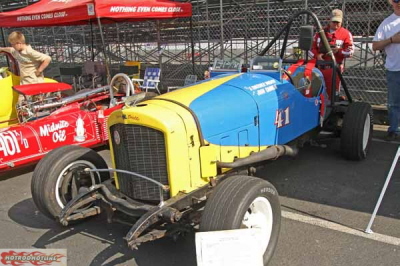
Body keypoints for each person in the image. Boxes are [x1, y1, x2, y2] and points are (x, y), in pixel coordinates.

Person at [310, 9, 354, 99]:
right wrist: (317, 55)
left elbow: (350, 51)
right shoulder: (320, 32)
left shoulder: (345, 34)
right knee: (315, 91)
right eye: (334, 21)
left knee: (332, 94)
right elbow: (311, 49)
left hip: (335, 68)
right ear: (329, 20)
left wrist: (338, 51)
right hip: (318, 68)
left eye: (338, 22)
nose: (336, 24)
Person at [373, 0, 400, 141]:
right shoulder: (387, 22)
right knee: (394, 102)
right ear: (392, 3)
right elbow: (375, 45)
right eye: (396, 0)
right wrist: (392, 39)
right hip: (394, 69)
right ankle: (394, 130)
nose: (399, 3)